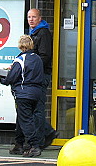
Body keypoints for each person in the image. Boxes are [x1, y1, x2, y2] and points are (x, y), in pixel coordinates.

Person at [2, 35, 44, 158]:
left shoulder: (20, 60)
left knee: (25, 120)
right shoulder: (37, 59)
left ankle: (34, 146)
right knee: (23, 118)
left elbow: (11, 78)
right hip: (36, 93)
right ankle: (18, 144)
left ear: (20, 46)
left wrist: (3, 78)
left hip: (23, 93)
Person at [24, 8, 58, 149]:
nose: (31, 20)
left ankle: (45, 135)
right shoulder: (33, 33)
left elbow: (45, 56)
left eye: (34, 17)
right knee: (34, 108)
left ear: (40, 18)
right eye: (29, 17)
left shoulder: (42, 33)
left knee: (37, 108)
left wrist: (32, 67)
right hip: (36, 76)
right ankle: (44, 134)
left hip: (40, 76)